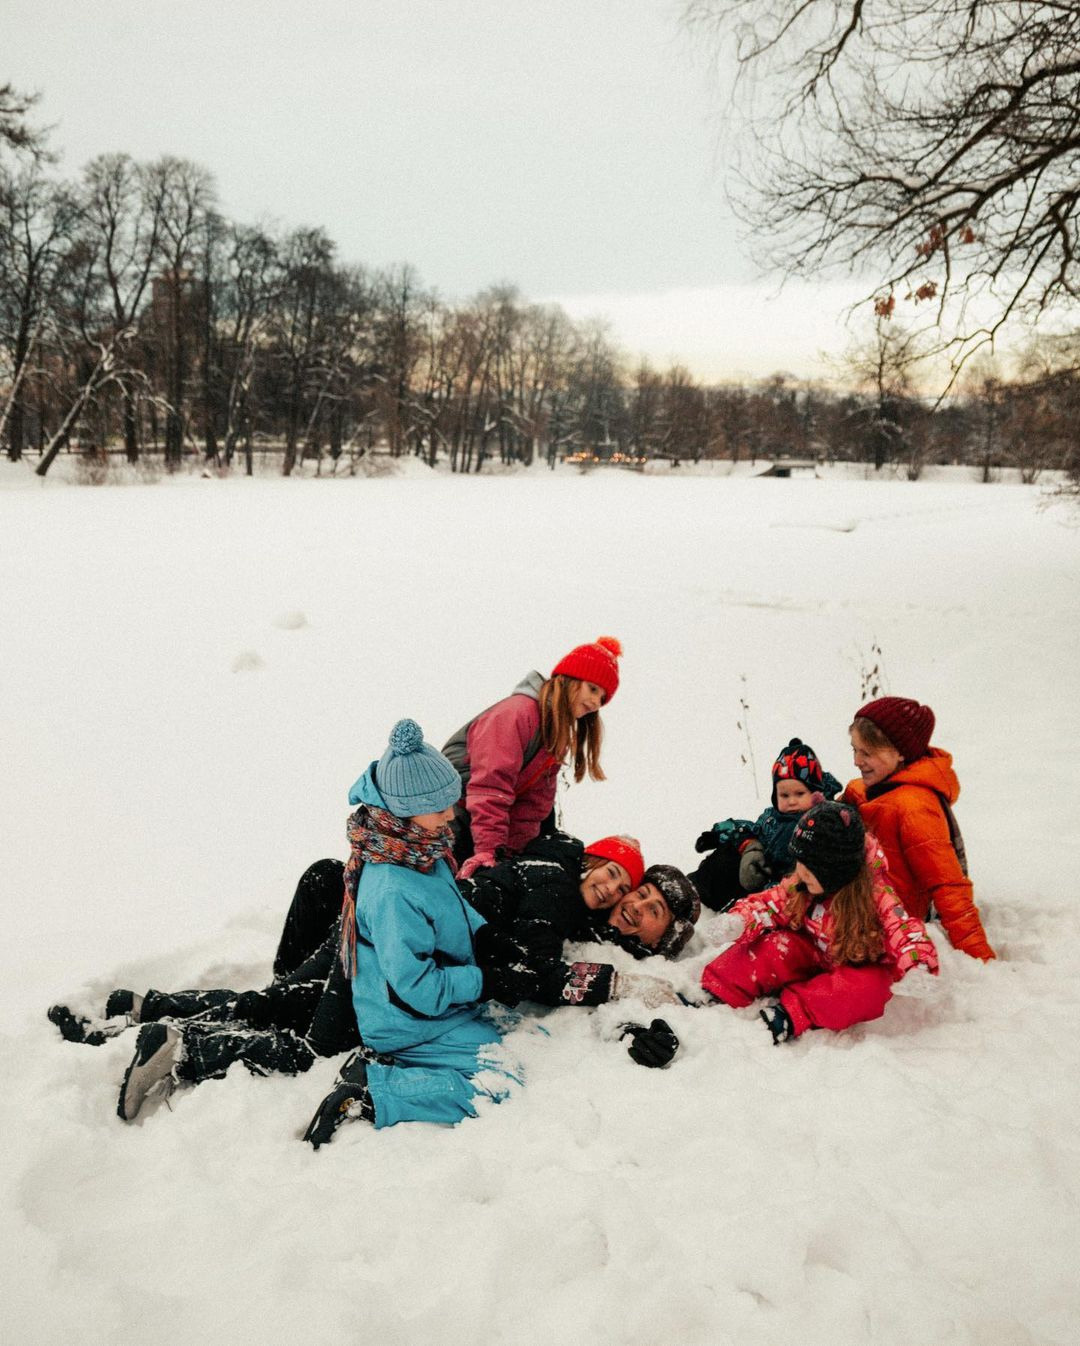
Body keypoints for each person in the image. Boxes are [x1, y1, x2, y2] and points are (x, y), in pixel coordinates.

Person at [115, 721, 522, 1136]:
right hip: (368, 971)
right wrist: (481, 978)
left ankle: (157, 1013)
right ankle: (186, 1046)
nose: (451, 816)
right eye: (440, 808)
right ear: (404, 809)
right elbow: (411, 973)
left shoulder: (412, 847)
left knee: (280, 1003)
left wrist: (485, 934)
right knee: (308, 1048)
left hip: (358, 955)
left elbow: (442, 902)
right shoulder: (397, 875)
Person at [701, 800, 938, 1042]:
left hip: (857, 967)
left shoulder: (877, 897)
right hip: (813, 952)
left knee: (870, 989)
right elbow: (770, 902)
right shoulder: (803, 884)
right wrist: (740, 920)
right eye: (799, 862)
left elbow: (904, 929)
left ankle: (795, 1011)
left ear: (836, 871)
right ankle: (718, 987)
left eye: (809, 866)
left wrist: (917, 966)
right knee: (776, 945)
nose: (800, 872)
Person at [441, 635, 622, 877]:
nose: (596, 702)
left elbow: (532, 808)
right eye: (592, 689)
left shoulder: (555, 737)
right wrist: (489, 852)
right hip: (447, 813)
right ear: (570, 679)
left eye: (602, 698)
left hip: (478, 824)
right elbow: (490, 788)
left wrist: (511, 860)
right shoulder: (518, 714)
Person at [841, 696, 995, 961]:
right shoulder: (866, 790)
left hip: (895, 917)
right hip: (864, 898)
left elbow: (948, 884)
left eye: (867, 753)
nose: (856, 760)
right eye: (854, 750)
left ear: (900, 753)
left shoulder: (915, 808)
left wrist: (979, 957)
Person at [690, 738, 841, 912]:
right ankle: (692, 893)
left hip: (780, 898)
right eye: (784, 795)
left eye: (799, 793)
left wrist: (765, 888)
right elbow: (752, 829)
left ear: (816, 793)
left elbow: (800, 878)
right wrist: (720, 834)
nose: (791, 801)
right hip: (756, 878)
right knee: (729, 852)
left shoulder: (817, 827)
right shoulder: (773, 817)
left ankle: (720, 912)